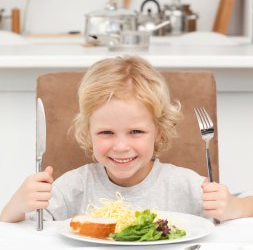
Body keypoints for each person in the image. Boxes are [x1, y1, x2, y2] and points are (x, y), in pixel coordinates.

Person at [1, 56, 253, 223]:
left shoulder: (183, 185)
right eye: (106, 133)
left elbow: (245, 206)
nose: (121, 146)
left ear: (159, 131)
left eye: (136, 132)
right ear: (88, 132)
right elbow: (16, 234)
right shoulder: (74, 187)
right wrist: (15, 206)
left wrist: (234, 207)